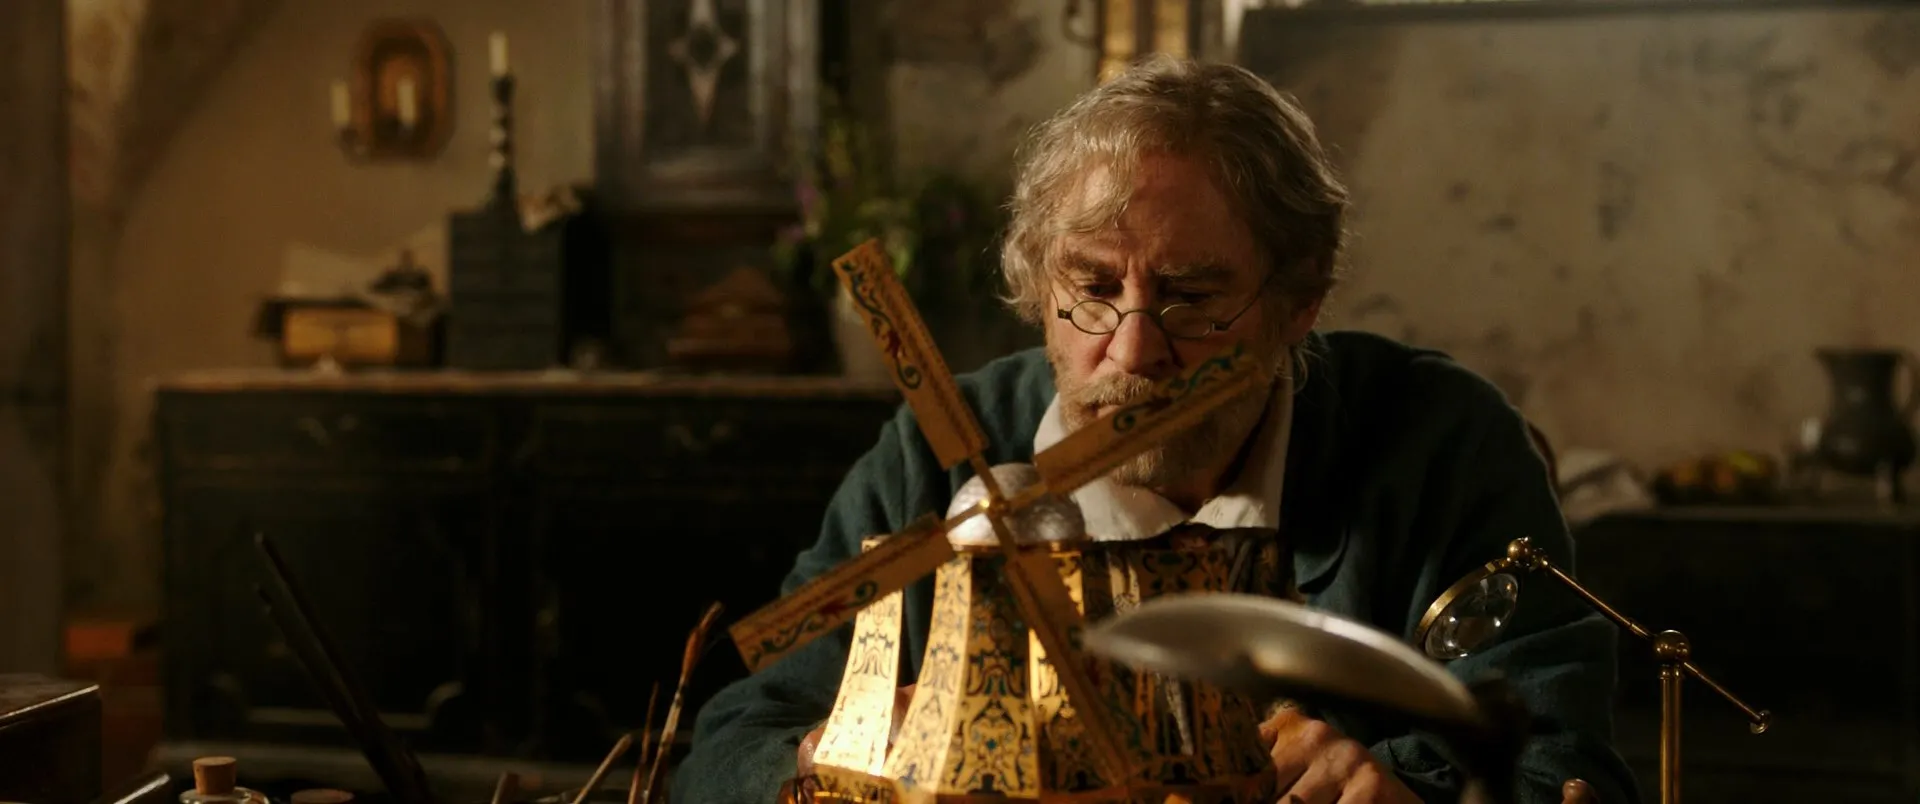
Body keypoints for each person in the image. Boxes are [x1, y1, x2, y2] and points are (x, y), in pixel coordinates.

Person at [673, 56, 1638, 804]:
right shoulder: (936, 454)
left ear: (1300, 299)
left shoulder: (1441, 445)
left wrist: (1402, 786)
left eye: (1192, 297)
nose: (1134, 351)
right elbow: (727, 746)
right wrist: (821, 759)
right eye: (1092, 289)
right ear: (1037, 288)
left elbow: (1564, 764)